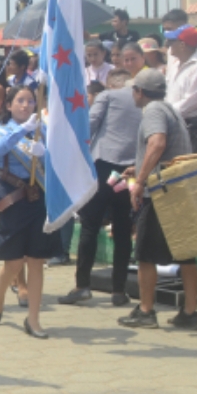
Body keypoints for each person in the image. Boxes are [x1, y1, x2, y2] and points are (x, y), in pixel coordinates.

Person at [118, 69, 197, 330]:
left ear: (140, 92)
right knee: (185, 253)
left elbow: (157, 143)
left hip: (160, 193)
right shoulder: (170, 109)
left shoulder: (153, 110)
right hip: (178, 191)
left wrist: (141, 180)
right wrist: (139, 166)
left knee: (145, 254)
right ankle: (190, 312)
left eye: (133, 89)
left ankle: (146, 311)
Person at [57, 67, 140, 307]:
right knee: (123, 229)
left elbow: (89, 125)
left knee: (90, 226)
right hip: (129, 170)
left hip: (104, 166)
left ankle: (82, 285)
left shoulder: (107, 96)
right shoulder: (141, 100)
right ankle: (119, 290)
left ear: (111, 84)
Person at [0, 87, 60, 338]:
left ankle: (34, 319)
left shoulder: (42, 130)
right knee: (14, 261)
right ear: (9, 105)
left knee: (37, 260)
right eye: (20, 100)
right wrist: (22, 130)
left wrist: (44, 153)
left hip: (38, 199)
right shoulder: (0, 130)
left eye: (30, 101)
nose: (26, 105)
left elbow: (55, 163)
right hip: (13, 200)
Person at [163, 24, 197, 153]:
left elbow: (192, 101)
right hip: (175, 124)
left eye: (172, 41)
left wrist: (165, 113)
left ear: (182, 45)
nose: (168, 45)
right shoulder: (175, 64)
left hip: (194, 128)